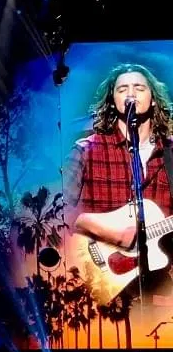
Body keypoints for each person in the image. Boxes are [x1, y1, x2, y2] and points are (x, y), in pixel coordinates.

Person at [65, 63, 173, 301]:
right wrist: (113, 234)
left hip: (159, 285)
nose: (131, 94)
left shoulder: (170, 153)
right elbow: (57, 213)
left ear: (153, 99)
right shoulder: (86, 150)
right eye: (122, 89)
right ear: (112, 101)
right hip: (96, 285)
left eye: (139, 88)